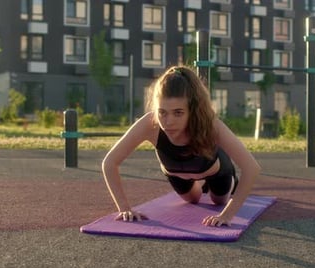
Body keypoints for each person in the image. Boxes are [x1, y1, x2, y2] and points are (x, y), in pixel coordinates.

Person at [102, 65, 261, 227]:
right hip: (176, 174)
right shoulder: (150, 124)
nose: (168, 121)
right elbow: (109, 163)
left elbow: (252, 168)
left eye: (178, 112)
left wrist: (227, 215)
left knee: (219, 200)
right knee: (193, 200)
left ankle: (228, 181)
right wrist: (124, 208)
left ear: (193, 110)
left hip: (216, 171)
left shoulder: (210, 125)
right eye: (162, 112)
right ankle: (201, 184)